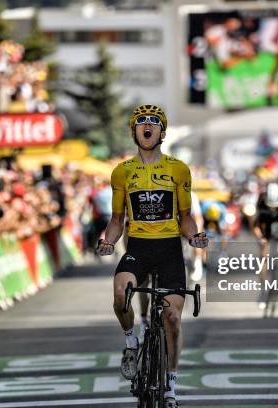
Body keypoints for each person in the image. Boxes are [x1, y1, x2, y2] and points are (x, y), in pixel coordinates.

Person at [96, 104, 208, 408]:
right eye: (141, 123)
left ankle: (171, 384)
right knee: (121, 294)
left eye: (154, 123)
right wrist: (108, 240)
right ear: (134, 131)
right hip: (139, 248)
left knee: (172, 318)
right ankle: (131, 342)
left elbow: (185, 215)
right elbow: (117, 219)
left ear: (162, 131)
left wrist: (193, 235)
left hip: (170, 249)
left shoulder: (178, 169)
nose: (147, 127)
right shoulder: (122, 172)